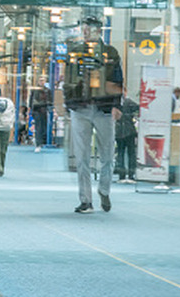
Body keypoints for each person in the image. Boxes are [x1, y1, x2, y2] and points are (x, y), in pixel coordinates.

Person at [64, 16, 122, 214]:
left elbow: (117, 79)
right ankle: (85, 200)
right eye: (84, 29)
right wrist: (69, 102)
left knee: (107, 154)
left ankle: (104, 190)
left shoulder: (110, 53)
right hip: (80, 108)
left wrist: (116, 105)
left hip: (103, 109)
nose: (85, 32)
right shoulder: (75, 52)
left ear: (99, 31)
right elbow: (68, 78)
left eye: (89, 29)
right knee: (82, 157)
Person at [115, 89, 138, 183]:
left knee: (120, 152)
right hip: (129, 131)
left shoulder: (115, 103)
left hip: (119, 131)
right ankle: (131, 174)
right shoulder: (128, 101)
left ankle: (121, 175)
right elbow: (138, 108)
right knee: (131, 153)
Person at [29, 76, 51, 152]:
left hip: (44, 111)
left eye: (43, 80)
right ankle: (38, 144)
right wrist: (31, 110)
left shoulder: (47, 90)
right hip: (37, 111)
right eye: (40, 80)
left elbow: (49, 101)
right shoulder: (35, 90)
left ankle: (42, 142)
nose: (42, 82)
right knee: (38, 127)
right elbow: (31, 101)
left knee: (44, 127)